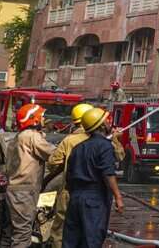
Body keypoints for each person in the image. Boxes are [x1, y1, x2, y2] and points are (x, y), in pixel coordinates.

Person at [45, 104, 126, 248]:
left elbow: (63, 170)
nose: (109, 123)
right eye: (106, 121)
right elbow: (108, 172)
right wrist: (118, 197)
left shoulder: (77, 147)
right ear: (100, 126)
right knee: (91, 239)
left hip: (74, 197)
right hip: (94, 199)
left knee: (70, 240)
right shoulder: (105, 146)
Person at [1, 103, 55, 248]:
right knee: (22, 234)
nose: (45, 119)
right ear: (34, 119)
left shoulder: (20, 136)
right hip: (23, 192)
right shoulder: (32, 136)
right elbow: (54, 154)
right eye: (42, 117)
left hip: (14, 190)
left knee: (8, 233)